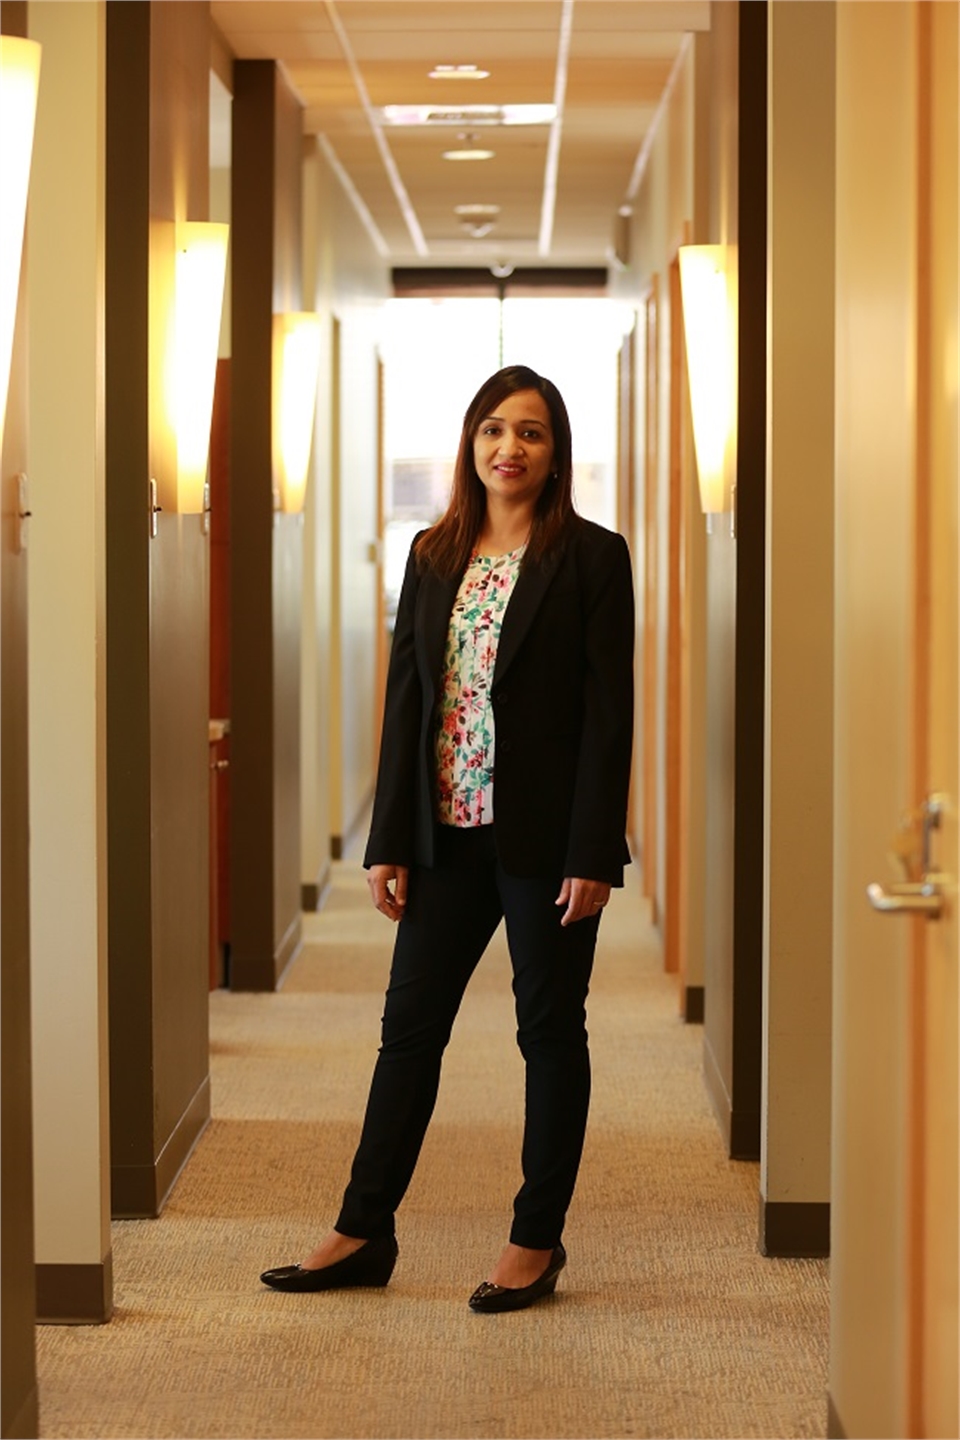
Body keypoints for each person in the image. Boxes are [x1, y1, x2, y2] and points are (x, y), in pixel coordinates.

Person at [261, 364, 634, 1312]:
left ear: (556, 457)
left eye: (533, 433)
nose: (511, 447)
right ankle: (361, 1228)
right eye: (494, 430)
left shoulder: (594, 558)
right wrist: (390, 838)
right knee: (407, 1033)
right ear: (471, 444)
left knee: (548, 1032)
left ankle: (534, 1242)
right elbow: (407, 703)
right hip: (444, 832)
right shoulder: (432, 554)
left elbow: (608, 716)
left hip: (546, 845)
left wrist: (596, 851)